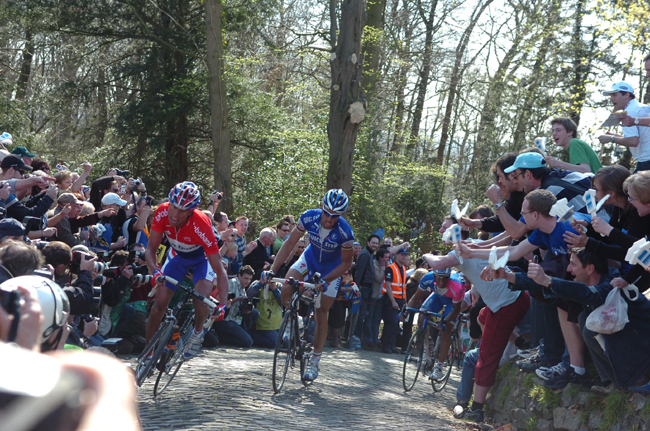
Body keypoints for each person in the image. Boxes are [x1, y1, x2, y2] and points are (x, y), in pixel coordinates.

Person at [261, 189, 355, 381]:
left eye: (334, 216)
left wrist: (326, 280)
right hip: (310, 258)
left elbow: (346, 263)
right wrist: (273, 269)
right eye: (327, 213)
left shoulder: (345, 232)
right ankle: (294, 322)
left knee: (321, 312)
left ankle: (315, 360)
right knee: (287, 287)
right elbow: (289, 244)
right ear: (322, 207)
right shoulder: (309, 217)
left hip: (332, 268)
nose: (329, 219)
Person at [145, 181, 229, 360]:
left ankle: (198, 333)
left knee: (200, 298)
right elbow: (150, 249)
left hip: (202, 259)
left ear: (191, 211)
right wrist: (155, 272)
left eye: (182, 210)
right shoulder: (162, 211)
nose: (175, 214)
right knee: (158, 305)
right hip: (178, 256)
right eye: (174, 207)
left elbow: (220, 270)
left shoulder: (202, 224)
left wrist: (222, 304)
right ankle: (148, 353)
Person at [599, 82, 650, 172]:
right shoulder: (643, 107)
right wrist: (616, 136)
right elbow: (641, 138)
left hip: (646, 162)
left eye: (614, 95)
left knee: (629, 185)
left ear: (626, 95)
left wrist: (611, 138)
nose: (611, 99)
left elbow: (633, 141)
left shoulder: (628, 112)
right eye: (611, 96)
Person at [212, 265, 256, 347]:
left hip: (234, 318)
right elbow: (222, 302)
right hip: (225, 319)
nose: (248, 281)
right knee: (248, 342)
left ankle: (226, 336)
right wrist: (237, 299)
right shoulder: (232, 283)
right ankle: (220, 337)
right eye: (246, 278)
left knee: (255, 313)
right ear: (239, 275)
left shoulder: (243, 287)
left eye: (250, 279)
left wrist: (246, 308)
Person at [381, 247, 410, 354]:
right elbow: (388, 286)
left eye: (405, 255)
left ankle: (391, 344)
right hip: (391, 299)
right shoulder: (391, 268)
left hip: (400, 299)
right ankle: (386, 345)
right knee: (391, 322)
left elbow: (403, 286)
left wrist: (405, 300)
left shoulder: (403, 268)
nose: (404, 256)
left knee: (396, 323)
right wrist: (393, 301)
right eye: (402, 254)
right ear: (397, 255)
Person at [353, 234, 380, 341]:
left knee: (364, 314)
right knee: (361, 314)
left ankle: (360, 337)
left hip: (367, 288)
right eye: (373, 242)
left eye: (377, 243)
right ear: (368, 243)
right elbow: (359, 272)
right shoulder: (365, 254)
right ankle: (356, 337)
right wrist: (357, 288)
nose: (375, 245)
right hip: (363, 288)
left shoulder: (369, 254)